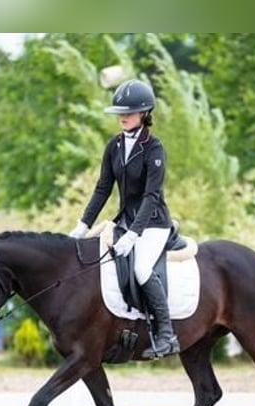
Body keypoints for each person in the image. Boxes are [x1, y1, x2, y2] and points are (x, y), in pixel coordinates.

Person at [68, 79, 180, 359]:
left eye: (128, 112)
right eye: (120, 112)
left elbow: (151, 195)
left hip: (153, 223)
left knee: (141, 269)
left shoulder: (154, 148)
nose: (123, 117)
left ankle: (166, 333)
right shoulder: (114, 146)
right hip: (125, 221)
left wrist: (133, 235)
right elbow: (103, 189)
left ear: (144, 113)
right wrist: (82, 227)